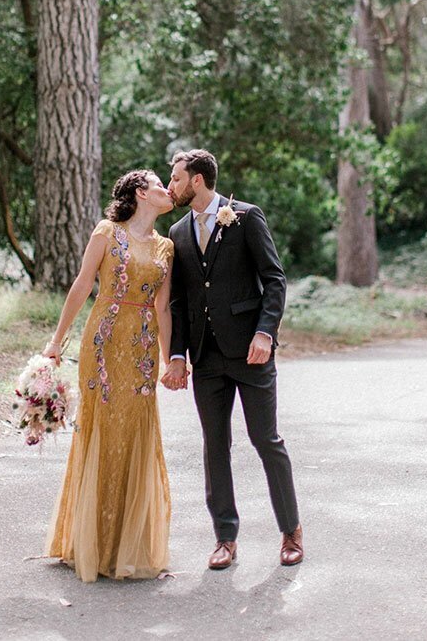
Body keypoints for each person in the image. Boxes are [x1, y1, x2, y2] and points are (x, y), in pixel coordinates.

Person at [161, 149, 303, 569]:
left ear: (198, 180)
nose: (171, 187)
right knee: (215, 446)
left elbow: (274, 279)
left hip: (251, 352)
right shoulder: (178, 232)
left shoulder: (245, 216)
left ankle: (291, 531)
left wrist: (265, 331)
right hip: (206, 358)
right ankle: (225, 538)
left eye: (175, 179)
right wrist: (177, 355)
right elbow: (181, 300)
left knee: (266, 441)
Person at [43, 170, 175, 583]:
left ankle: (125, 545)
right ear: (141, 193)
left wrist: (171, 361)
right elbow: (83, 285)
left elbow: (164, 308)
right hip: (102, 341)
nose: (168, 189)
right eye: (159, 184)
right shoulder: (107, 231)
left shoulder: (167, 247)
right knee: (101, 428)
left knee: (133, 430)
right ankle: (90, 540)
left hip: (140, 350)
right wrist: (56, 342)